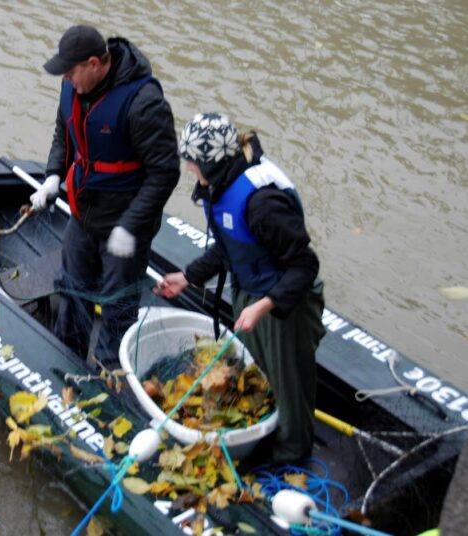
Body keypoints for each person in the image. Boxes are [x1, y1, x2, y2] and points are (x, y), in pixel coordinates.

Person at [155, 112, 326, 464]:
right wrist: (188, 276)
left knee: (287, 385)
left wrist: (263, 306)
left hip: (284, 304)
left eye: (192, 162)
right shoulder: (222, 185)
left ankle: (291, 457)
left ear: (211, 161)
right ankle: (258, 435)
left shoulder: (263, 203)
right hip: (250, 289)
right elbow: (230, 244)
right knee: (256, 375)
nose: (188, 169)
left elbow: (306, 265)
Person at [31, 25, 179, 367]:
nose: (67, 80)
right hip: (84, 214)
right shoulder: (72, 87)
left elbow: (165, 173)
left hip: (125, 223)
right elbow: (62, 133)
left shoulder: (144, 103)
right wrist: (53, 175)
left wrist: (130, 226)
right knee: (71, 290)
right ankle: (65, 365)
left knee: (118, 306)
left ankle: (110, 379)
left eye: (71, 72)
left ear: (95, 63)